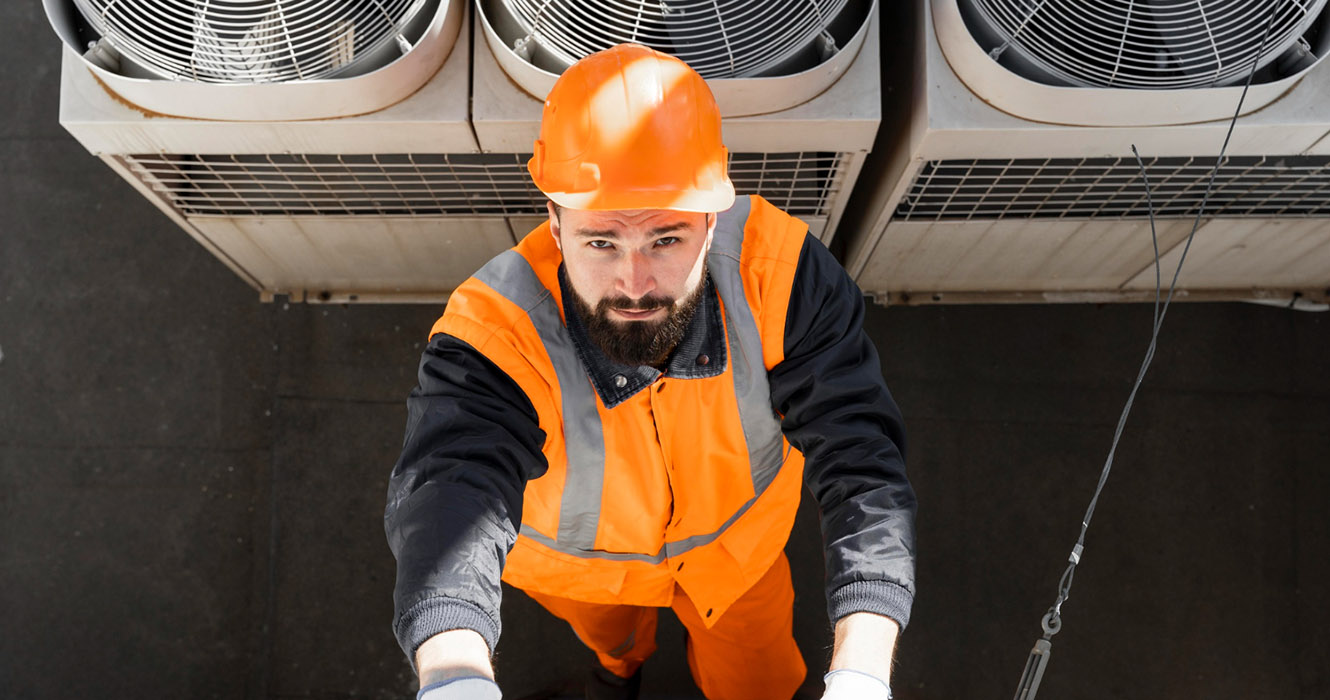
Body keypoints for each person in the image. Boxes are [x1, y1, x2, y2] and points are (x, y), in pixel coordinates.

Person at [385, 43, 915, 700]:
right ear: (554, 223)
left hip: (738, 563)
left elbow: (864, 465)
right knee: (612, 640)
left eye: (666, 239)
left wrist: (863, 668)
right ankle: (619, 670)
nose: (634, 284)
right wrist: (451, 672)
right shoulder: (494, 335)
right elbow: (449, 489)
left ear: (710, 217)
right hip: (584, 576)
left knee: (761, 684)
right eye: (601, 242)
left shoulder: (780, 275)